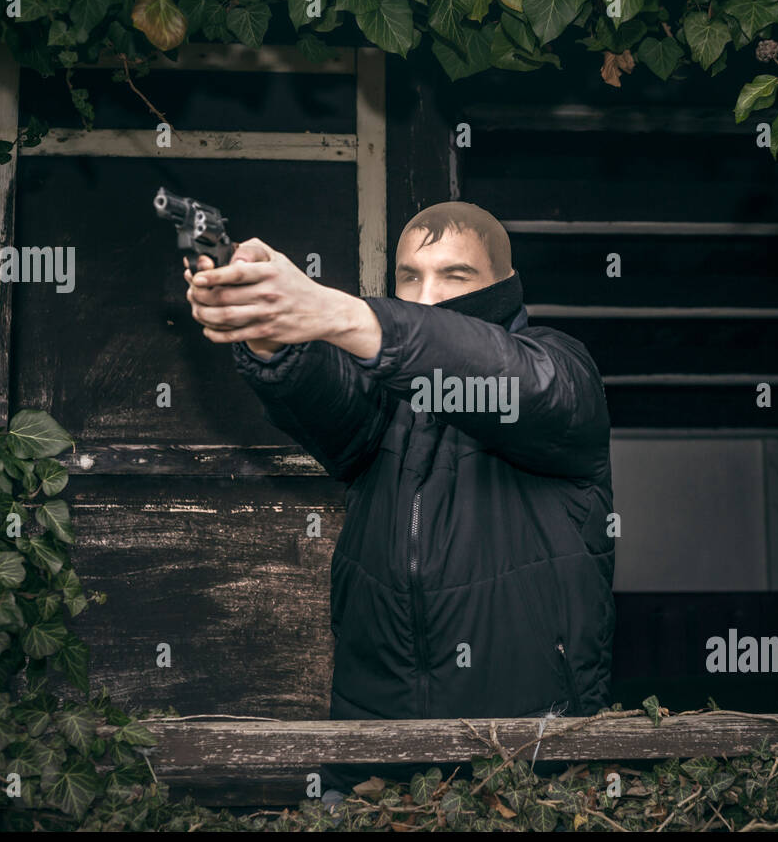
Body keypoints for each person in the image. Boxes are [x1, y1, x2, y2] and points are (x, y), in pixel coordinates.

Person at [183, 202, 615, 794]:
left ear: (503, 285)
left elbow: (508, 379)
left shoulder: (559, 369)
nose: (428, 295)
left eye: (455, 276)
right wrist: (267, 333)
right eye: (410, 277)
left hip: (523, 765)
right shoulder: (384, 393)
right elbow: (325, 395)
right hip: (372, 761)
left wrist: (337, 313)